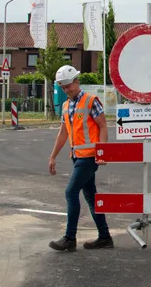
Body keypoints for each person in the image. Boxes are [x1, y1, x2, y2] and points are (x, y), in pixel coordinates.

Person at [47, 65, 113, 251]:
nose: (66, 89)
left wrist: (102, 152)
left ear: (77, 81)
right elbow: (63, 133)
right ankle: (105, 236)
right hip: (77, 156)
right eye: (63, 87)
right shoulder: (66, 106)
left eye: (68, 85)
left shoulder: (91, 101)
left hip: (89, 157)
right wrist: (53, 157)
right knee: (91, 196)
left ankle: (70, 238)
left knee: (70, 192)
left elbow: (103, 126)